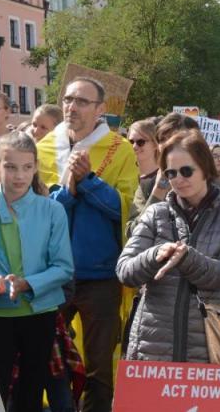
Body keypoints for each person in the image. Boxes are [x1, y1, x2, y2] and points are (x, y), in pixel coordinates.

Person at [37, 77, 138, 412]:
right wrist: (69, 191)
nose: (72, 107)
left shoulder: (119, 149)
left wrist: (89, 181)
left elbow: (124, 207)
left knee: (99, 367)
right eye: (68, 99)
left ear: (100, 110)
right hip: (50, 274)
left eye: (81, 101)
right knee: (48, 360)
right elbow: (41, 209)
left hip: (100, 275)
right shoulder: (44, 148)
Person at [116, 132, 220, 362]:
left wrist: (187, 258)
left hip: (208, 347)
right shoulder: (155, 214)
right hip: (152, 345)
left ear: (205, 169)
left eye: (187, 171)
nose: (178, 179)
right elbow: (125, 271)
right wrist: (155, 254)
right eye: (171, 173)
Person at [0, 132, 74, 412]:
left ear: (36, 167)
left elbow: (64, 267)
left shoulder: (52, 210)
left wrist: (28, 283)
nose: (19, 176)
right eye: (10, 167)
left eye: (27, 167)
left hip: (39, 313)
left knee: (31, 392)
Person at [127, 120, 160, 207]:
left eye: (140, 142)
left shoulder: (161, 178)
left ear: (155, 144)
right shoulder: (125, 172)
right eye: (131, 142)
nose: (134, 146)